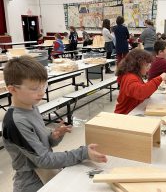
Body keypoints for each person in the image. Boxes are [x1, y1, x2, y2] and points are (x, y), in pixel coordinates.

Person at [2, 56, 107, 192]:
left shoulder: (31, 107)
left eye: (43, 86)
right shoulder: (15, 121)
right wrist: (83, 153)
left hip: (46, 176)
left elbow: (41, 145)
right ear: (12, 90)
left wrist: (53, 137)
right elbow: (43, 160)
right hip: (32, 184)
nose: (41, 93)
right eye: (34, 88)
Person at [114, 49, 166, 114]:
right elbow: (141, 92)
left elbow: (145, 94)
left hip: (133, 110)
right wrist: (159, 79)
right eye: (146, 65)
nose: (149, 67)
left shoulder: (135, 75)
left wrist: (151, 87)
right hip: (124, 114)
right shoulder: (129, 77)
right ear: (136, 65)